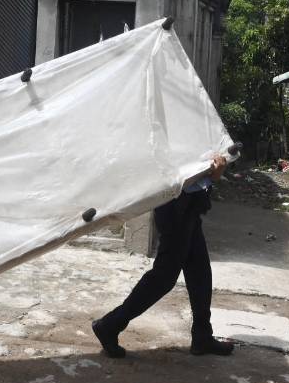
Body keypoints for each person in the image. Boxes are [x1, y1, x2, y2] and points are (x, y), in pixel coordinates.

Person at [91, 154, 235, 359]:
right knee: (164, 277)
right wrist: (212, 175)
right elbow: (181, 170)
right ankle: (110, 325)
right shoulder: (177, 130)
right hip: (177, 206)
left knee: (199, 270)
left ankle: (202, 334)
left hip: (189, 205)